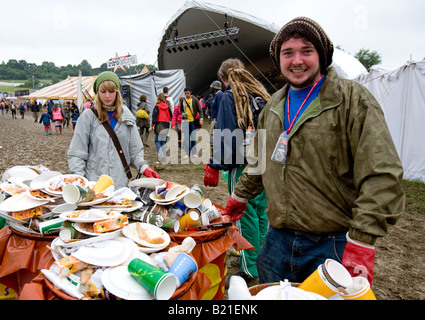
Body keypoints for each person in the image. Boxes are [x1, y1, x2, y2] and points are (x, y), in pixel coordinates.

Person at [222, 17, 406, 286]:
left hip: (333, 242)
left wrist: (362, 240)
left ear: (322, 55)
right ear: (278, 59)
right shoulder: (273, 107)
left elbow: (382, 174)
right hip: (277, 240)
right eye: (288, 53)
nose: (297, 60)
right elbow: (259, 162)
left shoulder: (351, 99)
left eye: (306, 51)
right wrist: (239, 196)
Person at [204, 58, 270, 282]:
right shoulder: (259, 95)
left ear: (223, 78)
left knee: (244, 216)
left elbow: (227, 138)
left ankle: (250, 267)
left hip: (241, 165)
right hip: (262, 162)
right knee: (260, 212)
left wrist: (214, 163)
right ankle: (260, 256)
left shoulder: (228, 96)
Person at [67, 71, 159, 189]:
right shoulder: (87, 117)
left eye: (111, 91)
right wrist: (81, 182)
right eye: (103, 91)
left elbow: (135, 153)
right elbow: (76, 154)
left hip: (120, 186)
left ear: (118, 92)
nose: (107, 96)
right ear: (97, 92)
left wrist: (144, 168)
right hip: (95, 186)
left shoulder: (127, 117)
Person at [181, 87, 203, 158]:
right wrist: (182, 114)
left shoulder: (194, 99)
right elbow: (181, 109)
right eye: (185, 93)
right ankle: (187, 153)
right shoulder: (183, 100)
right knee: (187, 138)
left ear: (190, 92)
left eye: (188, 93)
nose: (186, 94)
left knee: (193, 137)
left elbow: (200, 109)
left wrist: (201, 118)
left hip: (193, 121)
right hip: (185, 121)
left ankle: (194, 152)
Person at [151, 92, 172, 163]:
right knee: (164, 141)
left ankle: (160, 154)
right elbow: (171, 116)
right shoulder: (167, 106)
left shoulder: (157, 106)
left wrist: (151, 125)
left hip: (159, 124)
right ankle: (164, 157)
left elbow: (154, 117)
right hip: (166, 124)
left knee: (157, 141)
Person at [209, 80, 223, 154]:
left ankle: (215, 153)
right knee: (212, 137)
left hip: (216, 119)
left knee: (214, 136)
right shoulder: (216, 95)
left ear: (215, 88)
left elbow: (219, 109)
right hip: (214, 119)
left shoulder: (219, 95)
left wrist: (217, 121)